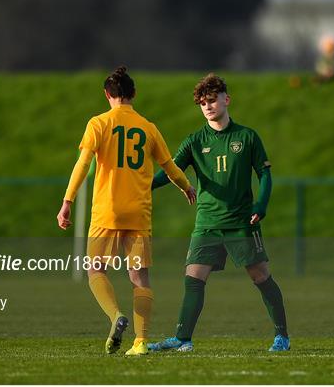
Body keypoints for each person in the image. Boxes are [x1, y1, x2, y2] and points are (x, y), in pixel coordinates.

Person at [57, 66, 196, 356]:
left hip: (107, 211)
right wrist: (186, 187)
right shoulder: (148, 127)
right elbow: (170, 167)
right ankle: (141, 341)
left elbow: (82, 165)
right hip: (138, 213)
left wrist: (67, 201)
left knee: (95, 270)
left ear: (107, 94)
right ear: (133, 94)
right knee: (139, 277)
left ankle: (115, 316)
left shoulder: (98, 123)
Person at [148, 73, 290, 352]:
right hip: (207, 222)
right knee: (193, 277)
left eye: (212, 100)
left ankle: (282, 337)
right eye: (202, 103)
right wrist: (143, 186)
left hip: (241, 222)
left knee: (261, 276)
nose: (208, 106)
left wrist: (261, 205)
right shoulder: (194, 141)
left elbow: (264, 174)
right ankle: (183, 339)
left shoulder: (246, 137)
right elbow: (171, 172)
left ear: (226, 99)